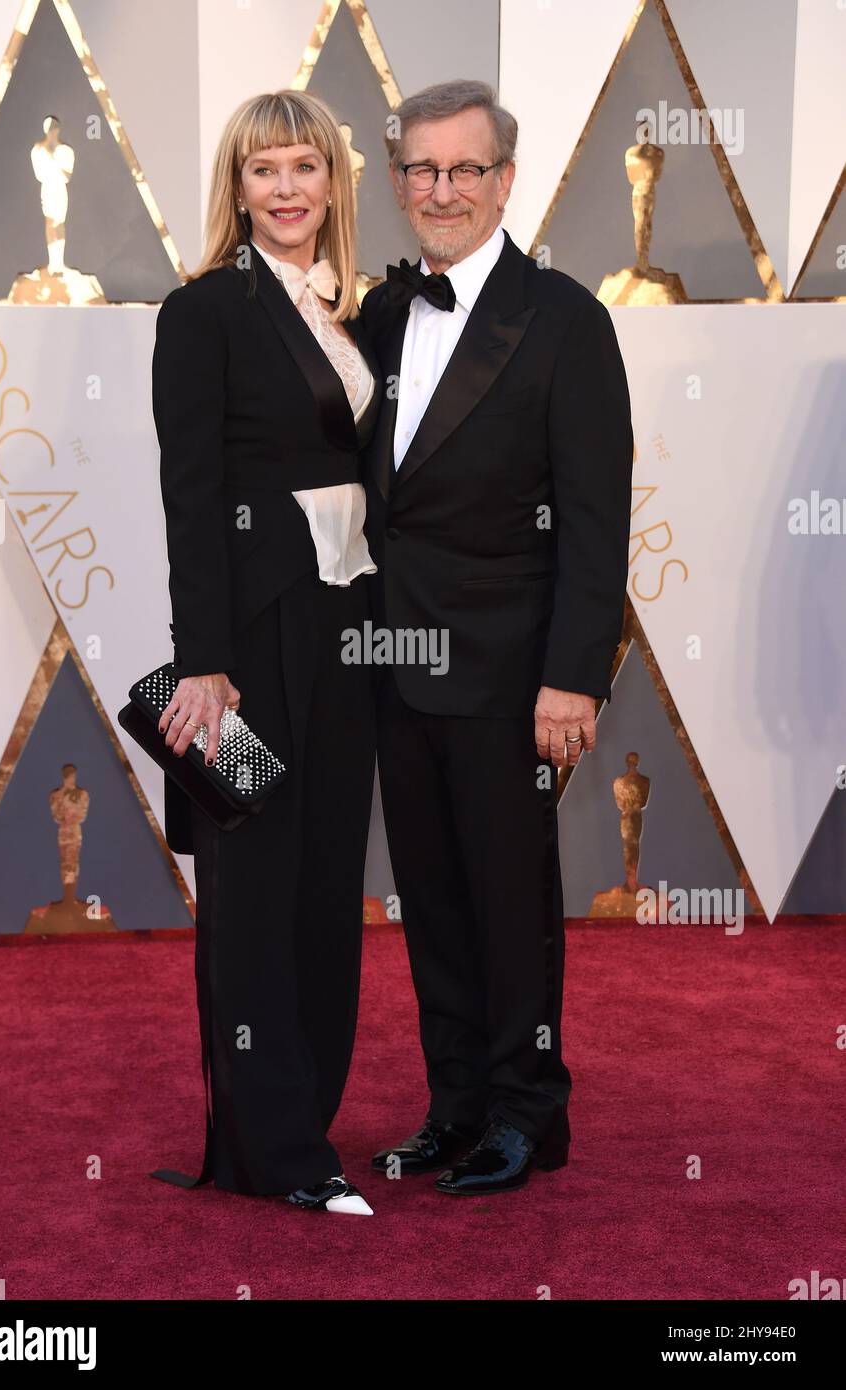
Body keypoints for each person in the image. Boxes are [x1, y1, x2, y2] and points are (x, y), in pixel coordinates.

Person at [361, 80, 633, 1195]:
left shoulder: (566, 318)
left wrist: (573, 679)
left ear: (504, 179)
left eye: (464, 169)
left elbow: (593, 516)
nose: (441, 189)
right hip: (391, 663)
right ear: (398, 183)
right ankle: (455, 1104)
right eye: (420, 170)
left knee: (511, 905)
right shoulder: (379, 313)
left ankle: (529, 1113)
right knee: (429, 901)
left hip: (511, 673)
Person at [150, 90, 381, 1215]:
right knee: (251, 889)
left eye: (305, 166)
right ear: (235, 189)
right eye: (262, 170)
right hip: (248, 641)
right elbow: (190, 499)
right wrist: (203, 658)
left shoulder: (359, 311)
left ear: (334, 181)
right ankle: (273, 1151)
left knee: (328, 879)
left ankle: (309, 1119)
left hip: (350, 629)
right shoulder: (203, 314)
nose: (286, 189)